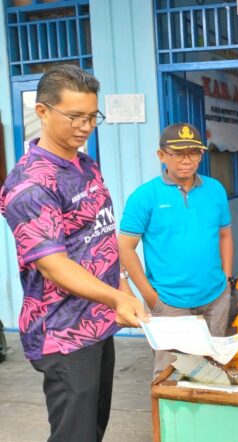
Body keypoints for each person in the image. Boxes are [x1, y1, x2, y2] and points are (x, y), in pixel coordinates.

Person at [0, 64, 147, 442]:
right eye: (74, 117)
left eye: (91, 117)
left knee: (92, 429)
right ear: (43, 111)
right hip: (63, 333)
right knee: (73, 436)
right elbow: (53, 266)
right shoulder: (31, 184)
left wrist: (122, 283)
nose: (85, 126)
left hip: (98, 321)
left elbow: (98, 233)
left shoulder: (83, 163)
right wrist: (116, 296)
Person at [119, 123, 233, 378]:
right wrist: (150, 297)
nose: (186, 160)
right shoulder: (144, 196)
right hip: (169, 304)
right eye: (178, 153)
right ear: (161, 155)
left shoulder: (215, 189)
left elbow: (225, 234)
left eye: (193, 153)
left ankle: (207, 417)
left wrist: (226, 278)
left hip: (215, 297)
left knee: (213, 369)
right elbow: (125, 248)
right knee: (169, 375)